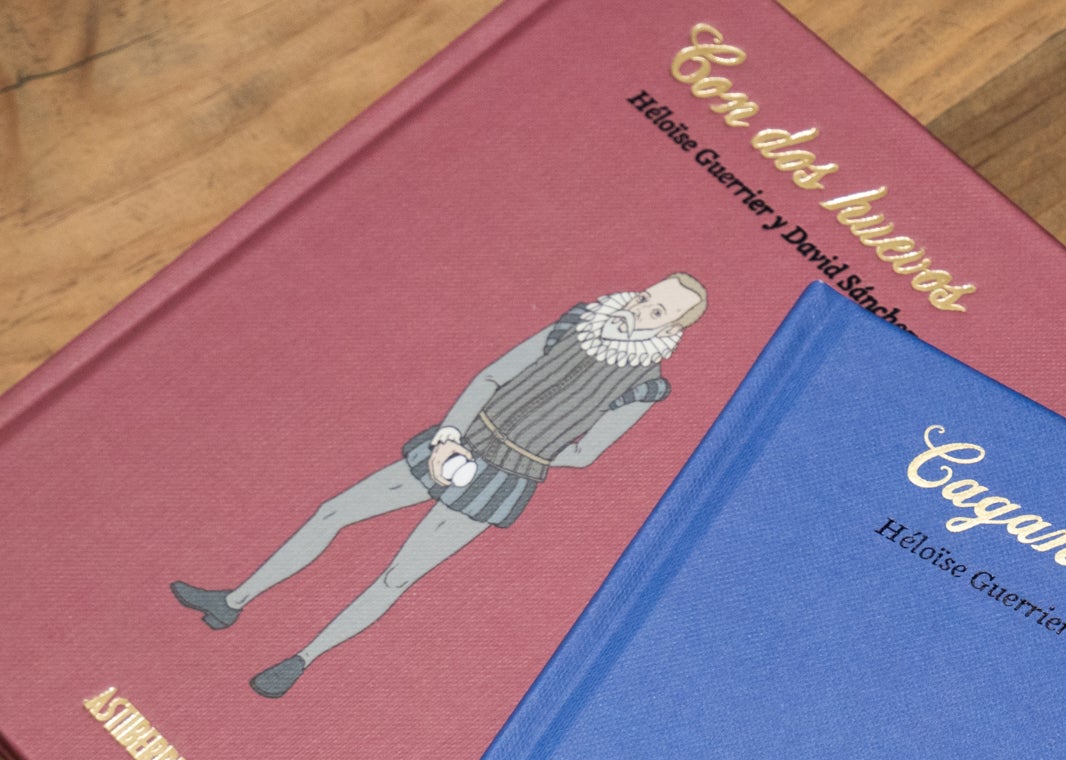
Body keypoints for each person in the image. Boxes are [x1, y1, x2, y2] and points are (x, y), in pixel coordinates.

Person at [169, 275, 707, 697]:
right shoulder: (576, 323)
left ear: (674, 328)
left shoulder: (645, 385)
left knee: (397, 575)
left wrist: (527, 455)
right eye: (645, 297)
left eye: (657, 311)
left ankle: (300, 661)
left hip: (501, 480)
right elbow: (492, 375)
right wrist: (450, 436)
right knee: (334, 512)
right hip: (459, 440)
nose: (641, 309)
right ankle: (232, 600)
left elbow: (586, 453)